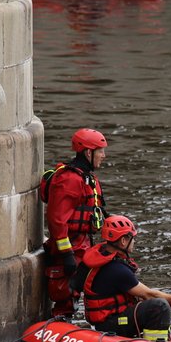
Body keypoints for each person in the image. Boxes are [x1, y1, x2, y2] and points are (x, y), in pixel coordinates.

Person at [72, 215, 171, 341]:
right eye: (132, 238)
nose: (134, 242)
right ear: (123, 241)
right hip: (111, 324)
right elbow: (148, 294)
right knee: (159, 306)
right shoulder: (117, 269)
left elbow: (77, 285)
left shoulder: (95, 258)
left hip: (103, 322)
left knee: (154, 302)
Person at [41, 128, 108, 318]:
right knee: (66, 294)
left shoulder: (87, 177)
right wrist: (67, 254)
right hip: (70, 247)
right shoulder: (69, 179)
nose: (103, 155)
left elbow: (96, 208)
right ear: (88, 152)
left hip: (84, 243)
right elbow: (57, 220)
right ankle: (60, 325)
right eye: (100, 151)